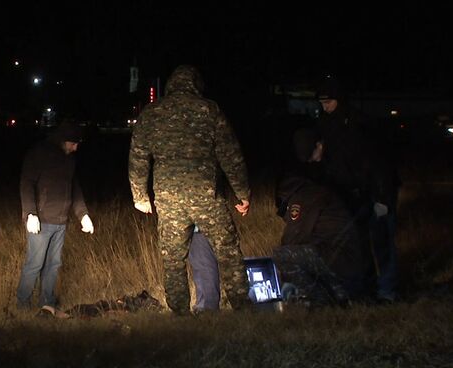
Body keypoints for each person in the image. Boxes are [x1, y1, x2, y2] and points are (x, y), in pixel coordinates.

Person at [128, 64, 251, 315]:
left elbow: (138, 157)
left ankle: (181, 313)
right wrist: (243, 193)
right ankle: (241, 306)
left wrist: (140, 196)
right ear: (196, 84)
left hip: (168, 198)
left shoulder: (152, 113)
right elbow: (230, 154)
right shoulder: (208, 109)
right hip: (206, 196)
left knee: (173, 259)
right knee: (227, 250)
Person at [315, 76, 401, 303]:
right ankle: (368, 287)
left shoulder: (359, 123)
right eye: (322, 102)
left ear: (339, 99)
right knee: (360, 244)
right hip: (352, 195)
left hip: (376, 192)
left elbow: (379, 164)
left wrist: (382, 198)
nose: (325, 106)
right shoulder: (327, 123)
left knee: (382, 242)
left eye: (329, 101)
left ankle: (387, 291)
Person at [272, 128, 371, 306]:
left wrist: (284, 281)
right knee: (308, 254)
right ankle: (340, 297)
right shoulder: (315, 190)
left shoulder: (303, 197)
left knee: (283, 255)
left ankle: (321, 301)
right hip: (348, 260)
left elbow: (292, 238)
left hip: (344, 261)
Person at [17, 122, 94, 313]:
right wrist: (30, 214)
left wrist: (83, 215)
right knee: (34, 264)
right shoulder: (39, 154)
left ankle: (47, 303)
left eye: (77, 144)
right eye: (73, 143)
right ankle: (22, 305)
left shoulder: (69, 160)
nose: (75, 148)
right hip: (41, 221)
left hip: (61, 221)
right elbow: (26, 183)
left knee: (53, 264)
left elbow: (74, 188)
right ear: (63, 140)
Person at [188, 226, 221, 312]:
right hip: (194, 230)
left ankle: (209, 307)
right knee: (199, 268)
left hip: (201, 228)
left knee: (205, 267)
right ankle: (203, 305)